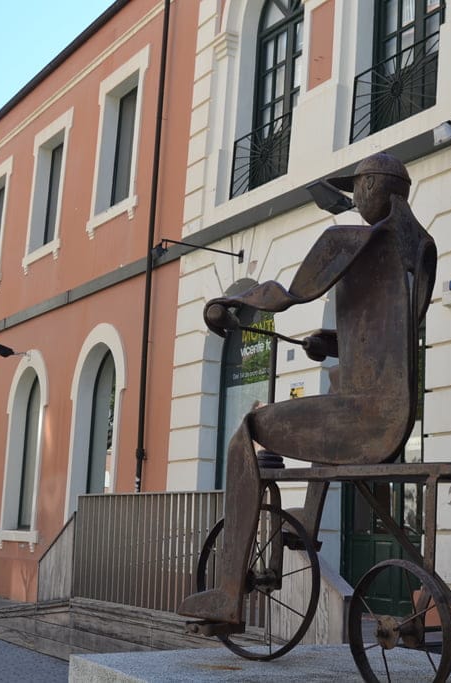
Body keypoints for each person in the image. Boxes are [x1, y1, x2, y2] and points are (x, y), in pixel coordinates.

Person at [178, 152, 436, 624]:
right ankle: (308, 528)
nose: (355, 198)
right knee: (332, 392)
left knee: (248, 429)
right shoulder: (421, 248)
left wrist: (228, 301)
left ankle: (228, 593)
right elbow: (396, 335)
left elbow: (289, 294)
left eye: (357, 187)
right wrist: (332, 341)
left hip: (363, 418)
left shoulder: (348, 238)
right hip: (393, 415)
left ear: (376, 186)